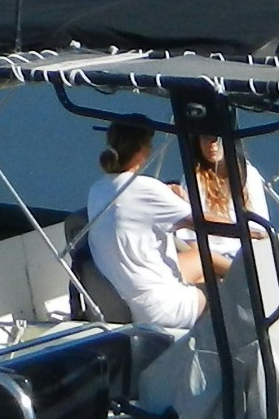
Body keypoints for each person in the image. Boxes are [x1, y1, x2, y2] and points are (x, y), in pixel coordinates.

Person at [79, 118, 203, 332]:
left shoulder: (97, 189)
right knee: (226, 291)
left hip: (129, 301)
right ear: (141, 151)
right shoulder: (145, 187)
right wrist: (254, 230)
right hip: (162, 309)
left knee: (202, 259)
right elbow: (205, 222)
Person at [179, 131, 279, 276]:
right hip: (212, 260)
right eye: (205, 137)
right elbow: (190, 240)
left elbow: (261, 231)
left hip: (248, 257)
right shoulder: (193, 179)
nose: (211, 145)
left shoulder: (248, 174)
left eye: (216, 138)